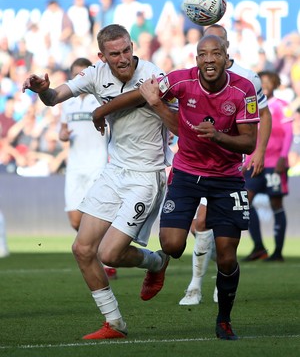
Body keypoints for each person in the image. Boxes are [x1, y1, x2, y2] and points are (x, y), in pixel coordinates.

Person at [92, 34, 260, 340]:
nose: (209, 60)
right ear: (196, 59)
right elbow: (145, 93)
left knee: (226, 256)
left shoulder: (243, 89)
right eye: (202, 55)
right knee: (171, 244)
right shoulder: (181, 81)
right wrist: (103, 110)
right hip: (186, 173)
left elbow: (249, 141)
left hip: (227, 177)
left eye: (216, 54)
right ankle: (161, 263)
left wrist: (218, 136)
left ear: (226, 57)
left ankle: (224, 319)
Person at [22, 24, 175, 340]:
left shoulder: (152, 73)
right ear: (101, 56)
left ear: (132, 47)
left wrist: (100, 110)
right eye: (114, 54)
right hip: (114, 172)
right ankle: (115, 323)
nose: (123, 59)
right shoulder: (95, 74)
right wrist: (42, 89)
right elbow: (55, 98)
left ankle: (156, 262)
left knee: (109, 254)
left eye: (126, 51)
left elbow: (138, 97)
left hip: (146, 177)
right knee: (82, 248)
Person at [179, 24, 272, 306]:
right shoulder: (193, 77)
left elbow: (263, 115)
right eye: (205, 49)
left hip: (226, 166)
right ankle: (196, 283)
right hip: (194, 163)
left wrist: (259, 151)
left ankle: (208, 283)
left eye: (217, 47)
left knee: (216, 227)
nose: (211, 56)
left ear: (226, 47)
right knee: (197, 225)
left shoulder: (247, 78)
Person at [59, 58, 116, 279]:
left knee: (97, 215)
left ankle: (107, 258)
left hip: (97, 164)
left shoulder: (100, 98)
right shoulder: (68, 103)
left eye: (84, 74)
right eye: (76, 74)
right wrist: (62, 135)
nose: (80, 78)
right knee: (75, 220)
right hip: (74, 166)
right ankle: (100, 248)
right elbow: (62, 130)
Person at [243, 71, 293, 262]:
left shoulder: (282, 106)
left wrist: (283, 157)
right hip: (255, 163)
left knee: (276, 204)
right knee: (245, 201)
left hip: (274, 165)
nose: (264, 84)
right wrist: (246, 162)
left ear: (275, 83)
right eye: (261, 82)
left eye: (267, 81)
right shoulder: (251, 107)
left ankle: (278, 251)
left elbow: (288, 133)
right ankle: (258, 247)